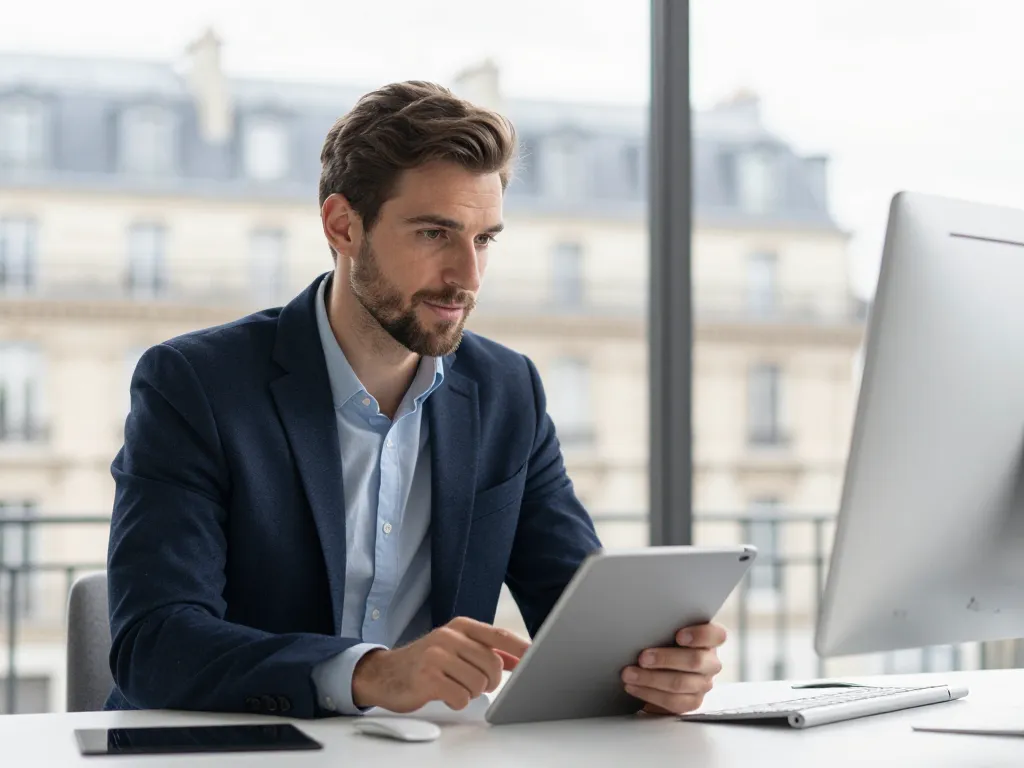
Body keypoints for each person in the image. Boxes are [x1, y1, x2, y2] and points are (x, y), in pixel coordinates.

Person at [105, 80, 727, 720]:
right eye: (436, 234)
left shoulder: (507, 392)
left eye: (484, 239)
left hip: (429, 750)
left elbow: (579, 616)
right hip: (236, 750)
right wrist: (368, 674)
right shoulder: (195, 384)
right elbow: (154, 645)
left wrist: (658, 668)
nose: (468, 276)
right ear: (343, 226)